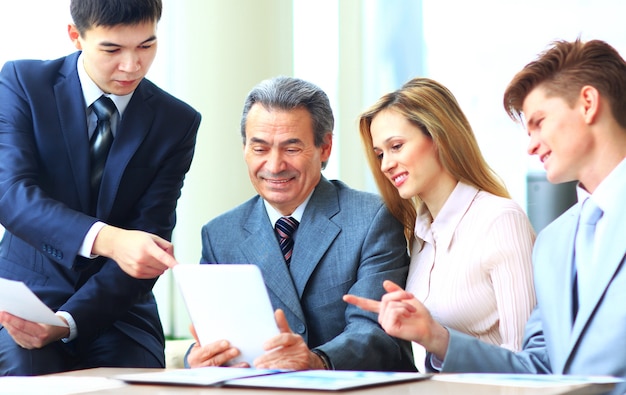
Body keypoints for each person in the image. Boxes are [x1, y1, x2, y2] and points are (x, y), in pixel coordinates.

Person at [344, 38, 626, 394]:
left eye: (539, 122)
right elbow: (537, 368)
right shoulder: (556, 241)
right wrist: (435, 337)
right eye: (379, 153)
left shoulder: (501, 221)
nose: (530, 145)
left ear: (587, 103)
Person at [0, 0, 201, 375]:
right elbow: (11, 195)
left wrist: (68, 322)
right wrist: (110, 240)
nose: (132, 65)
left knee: (135, 380)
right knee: (27, 377)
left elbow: (151, 238)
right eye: (112, 49)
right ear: (76, 36)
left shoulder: (178, 122)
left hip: (118, 308)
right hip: (26, 300)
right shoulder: (24, 83)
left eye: (146, 46)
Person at [186, 76, 415, 372]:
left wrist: (317, 360)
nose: (274, 165)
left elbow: (376, 331)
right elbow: (214, 331)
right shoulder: (220, 235)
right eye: (260, 149)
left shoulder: (373, 218)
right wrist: (200, 357)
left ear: (325, 148)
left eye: (291, 148)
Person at [355, 77, 536, 370]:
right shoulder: (419, 235)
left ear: (438, 137)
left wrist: (437, 338)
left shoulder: (500, 220)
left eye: (396, 146)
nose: (386, 164)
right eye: (379, 154)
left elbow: (529, 364)